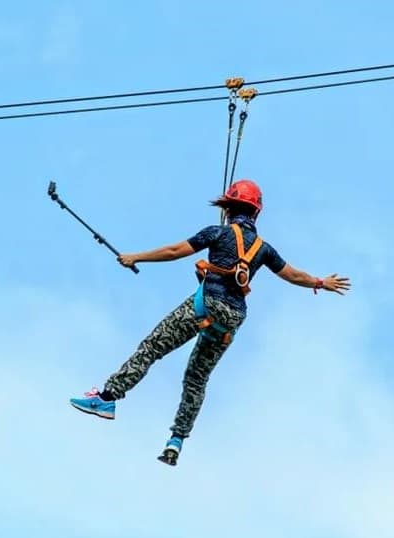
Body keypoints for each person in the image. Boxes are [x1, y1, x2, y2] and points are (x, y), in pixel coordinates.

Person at [68, 179, 350, 466]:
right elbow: (293, 275)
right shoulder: (264, 249)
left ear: (227, 208)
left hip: (206, 306)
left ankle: (107, 396)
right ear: (256, 213)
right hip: (231, 320)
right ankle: (176, 441)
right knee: (196, 380)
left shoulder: (217, 233)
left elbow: (174, 251)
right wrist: (320, 282)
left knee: (152, 348)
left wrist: (135, 257)